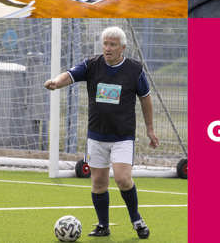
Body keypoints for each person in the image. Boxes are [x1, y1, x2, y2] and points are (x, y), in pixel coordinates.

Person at [44, 27, 158, 239]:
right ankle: (103, 225)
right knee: (98, 183)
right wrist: (56, 83)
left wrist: (150, 128)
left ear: (122, 48)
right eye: (105, 44)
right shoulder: (92, 64)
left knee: (123, 179)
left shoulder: (135, 69)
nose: (108, 48)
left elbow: (146, 98)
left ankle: (136, 219)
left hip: (123, 137)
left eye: (113, 45)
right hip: (96, 136)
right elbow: (70, 74)